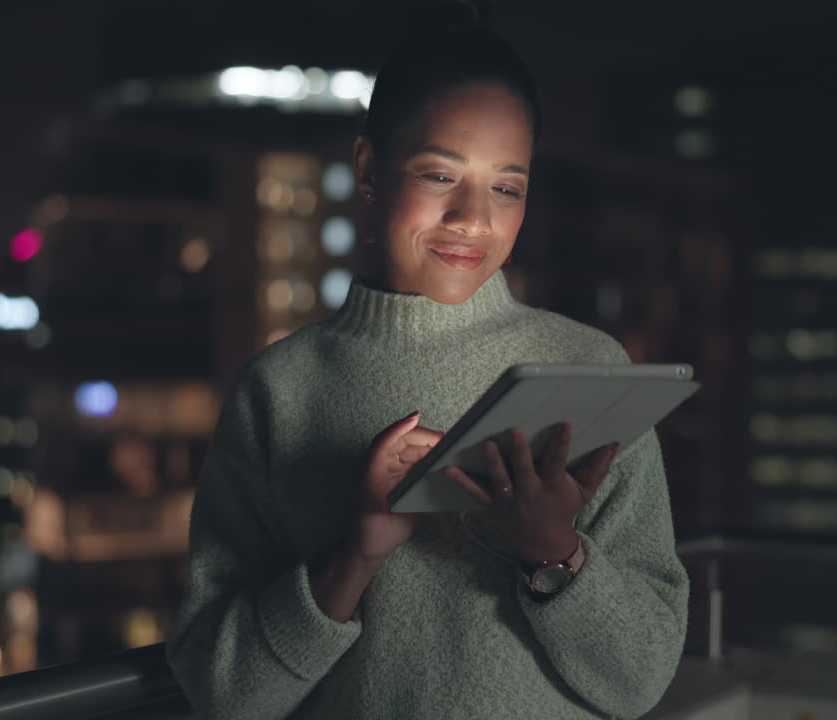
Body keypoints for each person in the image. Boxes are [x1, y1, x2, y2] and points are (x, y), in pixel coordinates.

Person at [166, 2, 689, 718]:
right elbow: (222, 692)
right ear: (369, 168)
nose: (473, 217)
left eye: (507, 187)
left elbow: (643, 679)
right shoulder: (281, 389)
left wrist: (554, 553)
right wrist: (355, 556)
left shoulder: (590, 367)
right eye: (440, 175)